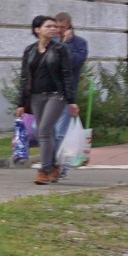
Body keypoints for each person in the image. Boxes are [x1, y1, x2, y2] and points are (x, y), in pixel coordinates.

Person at [15, 15, 79, 185]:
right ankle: (55, 166)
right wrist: (21, 102)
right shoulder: (29, 50)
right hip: (36, 96)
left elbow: (67, 75)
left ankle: (44, 170)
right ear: (37, 30)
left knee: (44, 130)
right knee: (45, 132)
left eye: (55, 27)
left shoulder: (60, 49)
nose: (53, 29)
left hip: (56, 95)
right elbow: (24, 77)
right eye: (49, 26)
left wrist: (71, 100)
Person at [54, 11, 89, 77]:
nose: (59, 30)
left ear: (69, 26)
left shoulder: (80, 42)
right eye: (57, 27)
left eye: (62, 27)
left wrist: (67, 43)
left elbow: (75, 63)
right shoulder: (51, 40)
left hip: (69, 83)